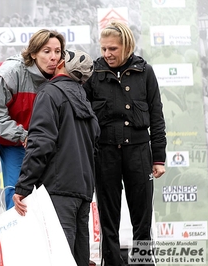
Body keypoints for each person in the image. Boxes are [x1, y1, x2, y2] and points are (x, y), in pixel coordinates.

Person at [0, 28, 65, 265]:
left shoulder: (57, 76)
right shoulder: (11, 71)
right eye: (47, 51)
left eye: (58, 51)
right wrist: (23, 135)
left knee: (18, 190)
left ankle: (15, 245)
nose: (53, 57)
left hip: (15, 135)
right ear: (33, 53)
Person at [82, 21, 167, 266]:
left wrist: (158, 158)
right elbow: (86, 120)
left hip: (139, 152)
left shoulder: (145, 71)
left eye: (113, 49)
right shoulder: (93, 73)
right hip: (105, 153)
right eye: (104, 48)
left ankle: (143, 263)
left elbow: (157, 116)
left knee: (142, 218)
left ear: (127, 46)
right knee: (108, 218)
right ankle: (111, 262)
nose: (107, 54)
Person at [13, 49, 100, 266]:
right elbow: (94, 145)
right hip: (83, 189)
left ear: (62, 64)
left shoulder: (50, 93)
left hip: (59, 189)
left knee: (59, 257)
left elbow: (40, 143)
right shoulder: (84, 100)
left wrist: (23, 186)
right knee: (78, 257)